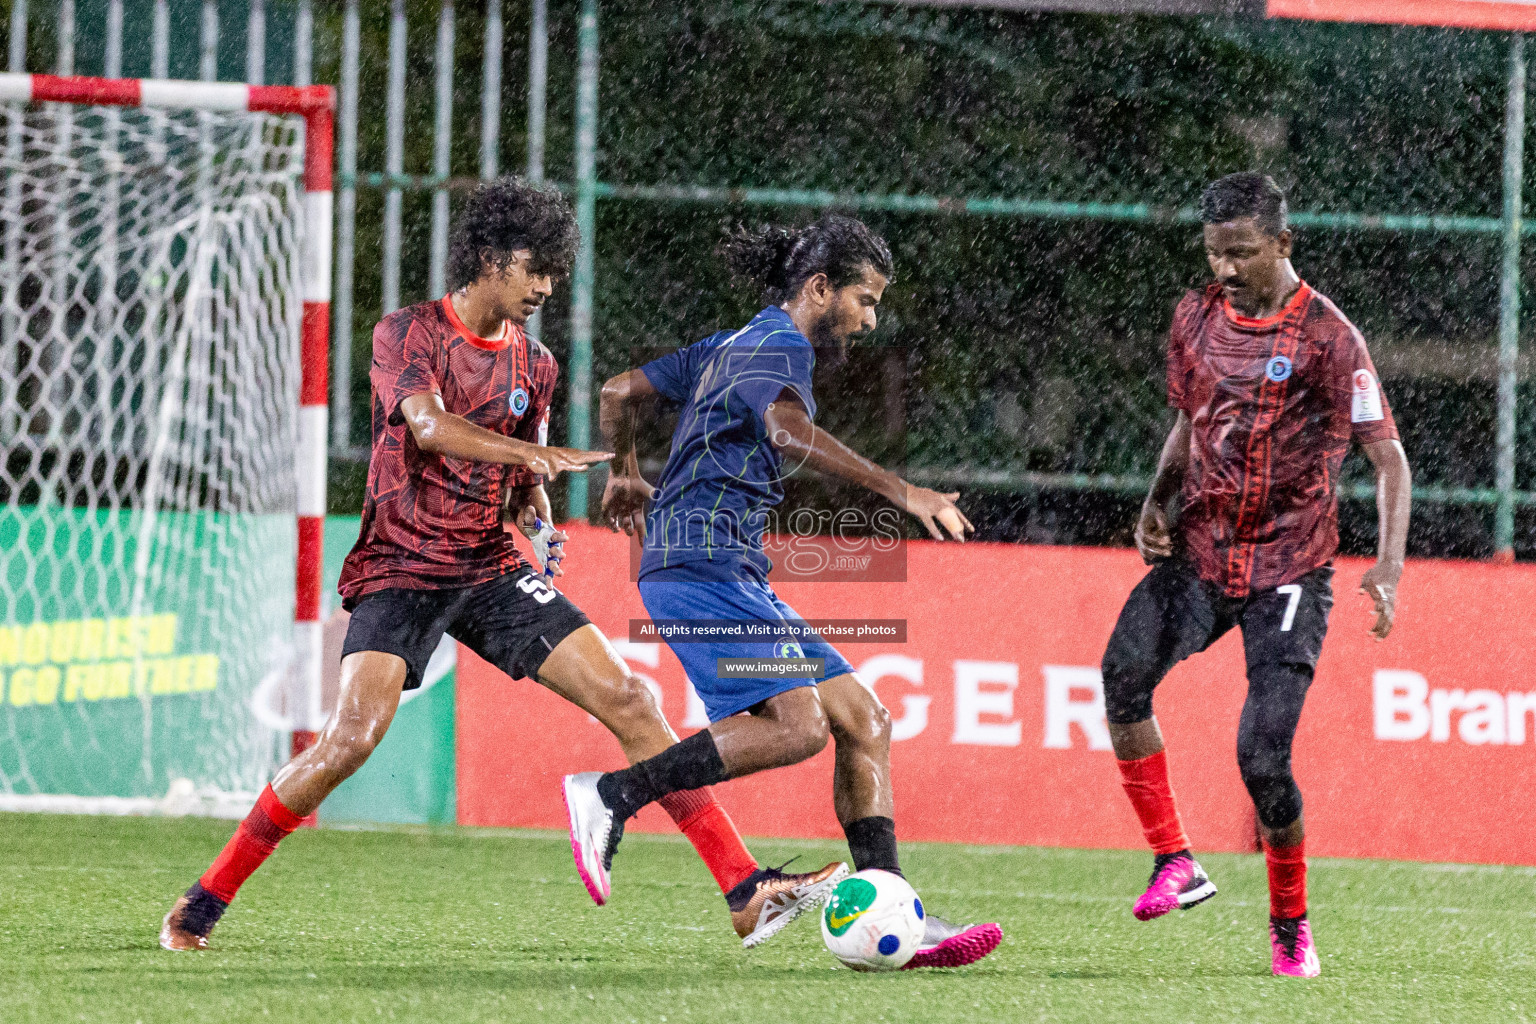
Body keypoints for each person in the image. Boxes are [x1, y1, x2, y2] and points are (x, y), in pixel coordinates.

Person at [159, 179, 845, 953]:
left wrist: (539, 522)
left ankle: (744, 890)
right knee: (350, 740)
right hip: (402, 568)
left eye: (554, 271)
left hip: (487, 567)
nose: (546, 287)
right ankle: (204, 900)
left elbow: (523, 488)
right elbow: (428, 428)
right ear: (489, 259)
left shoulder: (537, 365)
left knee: (629, 698)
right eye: (535, 268)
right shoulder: (408, 334)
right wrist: (530, 455)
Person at [564, 214, 1003, 969]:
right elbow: (787, 431)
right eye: (864, 299)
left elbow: (618, 389)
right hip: (699, 563)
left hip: (724, 564)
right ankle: (612, 793)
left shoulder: (735, 342)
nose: (870, 318)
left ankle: (893, 905)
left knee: (863, 720)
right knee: (799, 728)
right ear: (819, 288)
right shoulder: (779, 347)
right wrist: (899, 488)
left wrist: (624, 472)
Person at [1100, 172, 1412, 978]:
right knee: (1123, 674)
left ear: (1283, 242)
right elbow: (1187, 419)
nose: (1227, 267)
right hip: (1202, 553)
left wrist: (1387, 565)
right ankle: (1175, 861)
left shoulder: (1330, 337)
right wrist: (1156, 500)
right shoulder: (1195, 315)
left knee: (1262, 759)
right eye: (1214, 251)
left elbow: (1389, 460)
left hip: (1290, 569)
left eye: (1241, 251)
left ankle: (1290, 923)